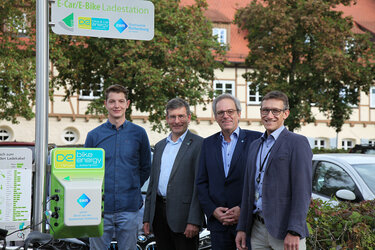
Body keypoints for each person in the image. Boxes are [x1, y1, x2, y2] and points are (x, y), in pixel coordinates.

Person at [235, 91, 312, 250]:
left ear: (286, 114)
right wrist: (242, 228)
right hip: (257, 230)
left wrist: (294, 230)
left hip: (286, 233)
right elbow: (248, 191)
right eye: (265, 110)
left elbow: (302, 191)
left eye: (275, 111)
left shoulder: (297, 143)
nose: (269, 115)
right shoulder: (255, 145)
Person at [85, 84, 151, 250]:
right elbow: (85, 172)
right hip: (99, 209)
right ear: (106, 104)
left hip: (129, 209)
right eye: (112, 101)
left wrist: (132, 185)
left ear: (127, 104)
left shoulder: (139, 134)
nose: (117, 106)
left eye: (121, 101)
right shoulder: (93, 136)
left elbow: (145, 168)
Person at [196, 93, 262, 250]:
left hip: (248, 223)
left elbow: (261, 182)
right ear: (216, 117)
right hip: (219, 225)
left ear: (239, 113)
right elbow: (201, 182)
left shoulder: (257, 140)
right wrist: (213, 211)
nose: (225, 116)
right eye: (220, 113)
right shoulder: (207, 144)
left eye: (230, 111)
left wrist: (243, 209)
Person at [143, 98, 204, 250]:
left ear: (189, 117)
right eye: (172, 117)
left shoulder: (200, 145)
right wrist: (147, 218)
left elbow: (200, 186)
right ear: (167, 119)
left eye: (181, 116)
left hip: (185, 220)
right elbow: (152, 185)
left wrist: (194, 220)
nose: (177, 121)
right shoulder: (159, 146)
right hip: (159, 217)